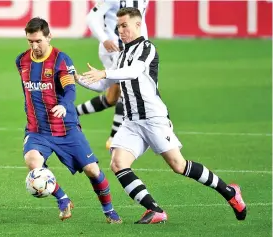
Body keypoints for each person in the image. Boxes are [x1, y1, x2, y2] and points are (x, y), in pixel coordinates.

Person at [76, 7, 247, 224]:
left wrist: (104, 72)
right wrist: (77, 78)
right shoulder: (120, 54)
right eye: (118, 26)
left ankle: (230, 192)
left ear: (138, 25)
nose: (120, 30)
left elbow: (134, 72)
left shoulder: (147, 49)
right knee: (118, 163)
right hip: (131, 122)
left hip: (153, 119)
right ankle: (154, 209)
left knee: (179, 165)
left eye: (124, 25)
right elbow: (104, 85)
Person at [15, 17, 122, 224]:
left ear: (49, 37)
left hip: (66, 128)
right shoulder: (21, 61)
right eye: (30, 41)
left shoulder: (61, 60)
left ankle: (109, 210)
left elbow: (70, 88)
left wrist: (64, 105)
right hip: (37, 130)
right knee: (33, 162)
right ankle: (62, 199)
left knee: (92, 170)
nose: (34, 46)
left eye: (38, 41)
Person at [75, 0, 149, 149]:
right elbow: (91, 18)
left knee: (111, 98)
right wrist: (104, 39)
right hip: (115, 49)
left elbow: (141, 21)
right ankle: (114, 139)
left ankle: (73, 113)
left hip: (134, 48)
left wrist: (144, 44)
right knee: (126, 90)